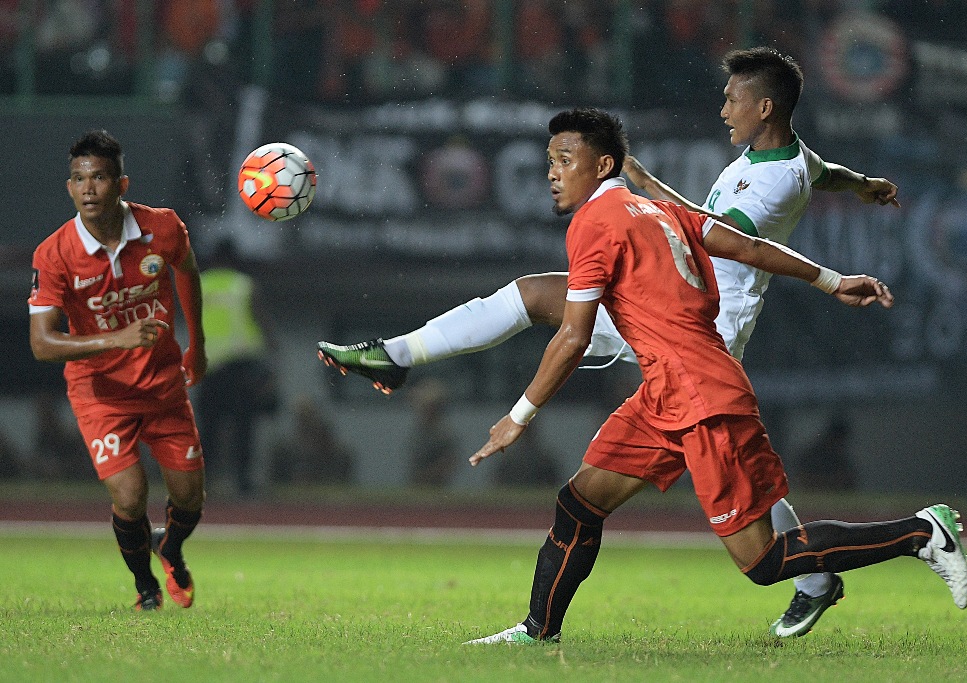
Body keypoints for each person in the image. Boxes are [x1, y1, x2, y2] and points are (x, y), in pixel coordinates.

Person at [318, 47, 900, 637]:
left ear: (765, 106)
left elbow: (722, 237)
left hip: (693, 328)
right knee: (681, 486)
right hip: (669, 316)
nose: (723, 109)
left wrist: (641, 187)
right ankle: (813, 580)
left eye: (732, 99)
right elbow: (824, 173)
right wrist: (865, 186)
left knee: (533, 299)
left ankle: (396, 356)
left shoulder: (772, 183)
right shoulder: (784, 157)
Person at [456, 107, 967, 644]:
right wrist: (830, 279)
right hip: (664, 392)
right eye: (549, 161)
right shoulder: (658, 210)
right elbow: (744, 245)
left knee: (764, 560)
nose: (552, 173)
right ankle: (537, 631)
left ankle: (921, 533)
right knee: (579, 503)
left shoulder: (594, 224)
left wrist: (518, 417)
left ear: (602, 164)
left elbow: (573, 336)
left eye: (565, 160)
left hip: (701, 395)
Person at [28, 130, 207, 611]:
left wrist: (198, 346)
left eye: (100, 178)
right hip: (100, 393)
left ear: (121, 184)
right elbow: (42, 344)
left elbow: (187, 270)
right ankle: (146, 587)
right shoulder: (54, 254)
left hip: (163, 382)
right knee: (130, 497)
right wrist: (117, 339)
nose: (88, 188)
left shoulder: (162, 228)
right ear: (70, 188)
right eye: (79, 179)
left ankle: (170, 546)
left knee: (190, 497)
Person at [196, 239, 277, 496]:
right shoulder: (243, 285)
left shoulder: (200, 284)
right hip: (242, 367)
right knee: (244, 427)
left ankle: (202, 483)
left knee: (209, 427)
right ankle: (242, 481)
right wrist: (273, 362)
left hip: (209, 367)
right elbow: (263, 323)